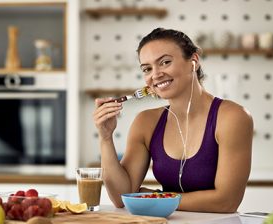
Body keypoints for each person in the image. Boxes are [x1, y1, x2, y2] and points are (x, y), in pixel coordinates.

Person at [93, 28, 253, 213]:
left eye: (165, 62)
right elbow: (123, 196)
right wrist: (105, 137)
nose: (156, 74)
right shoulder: (146, 122)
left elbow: (227, 202)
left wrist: (155, 197)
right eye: (147, 69)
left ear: (194, 61)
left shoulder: (232, 117)